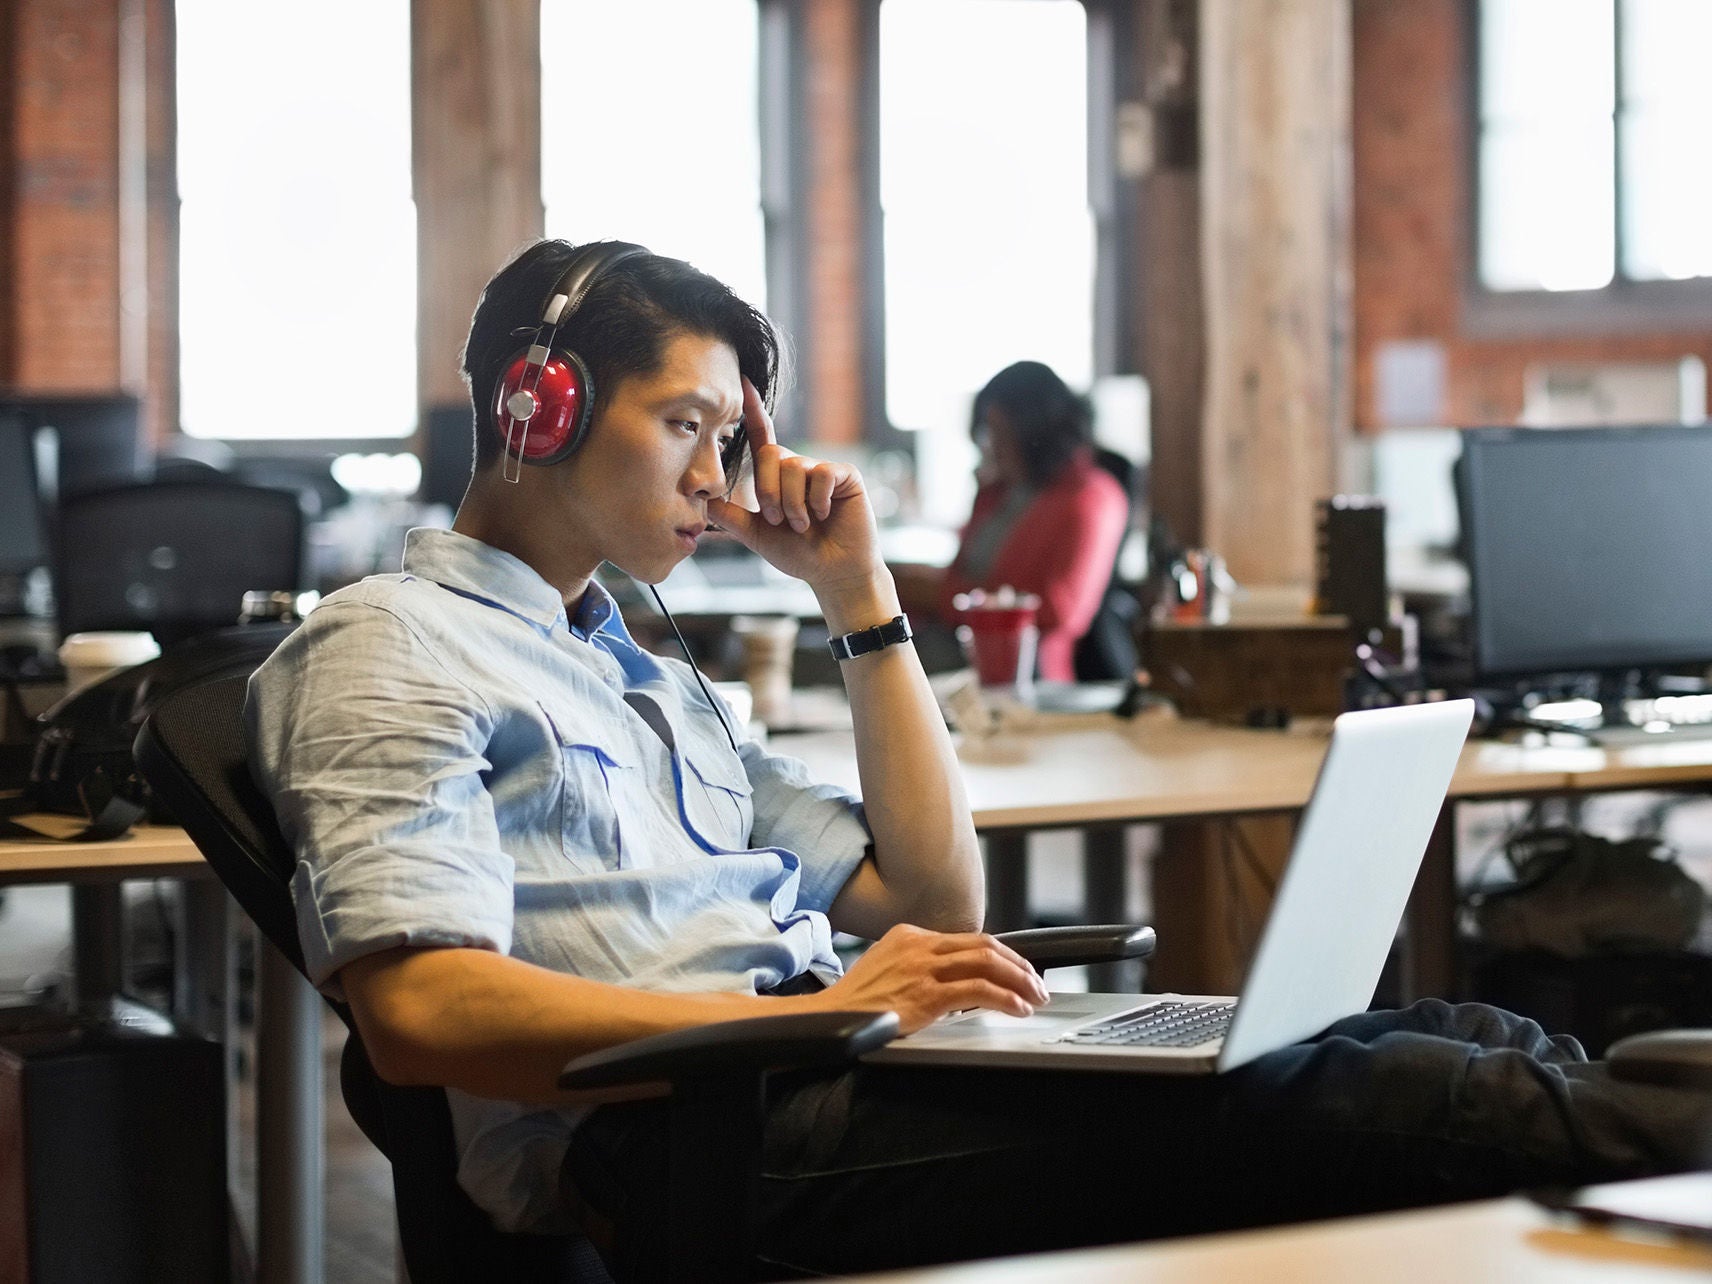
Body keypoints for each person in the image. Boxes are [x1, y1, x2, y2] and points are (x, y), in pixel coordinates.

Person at [246, 240, 1711, 1279]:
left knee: (1469, 1042)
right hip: (703, 1138)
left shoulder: (635, 664)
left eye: (728, 435)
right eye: (685, 425)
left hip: (845, 1068)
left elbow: (934, 892)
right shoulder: (392, 649)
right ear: (537, 408)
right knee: (1411, 1107)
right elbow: (421, 1013)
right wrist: (814, 1020)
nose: (719, 478)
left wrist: (860, 598)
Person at [902, 360, 1131, 683]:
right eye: (988, 431)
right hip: (958, 647)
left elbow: (1060, 610)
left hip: (1026, 671)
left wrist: (939, 595)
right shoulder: (998, 492)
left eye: (999, 430)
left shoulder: (1091, 497)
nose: (991, 443)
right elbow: (965, 573)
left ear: (1032, 428)